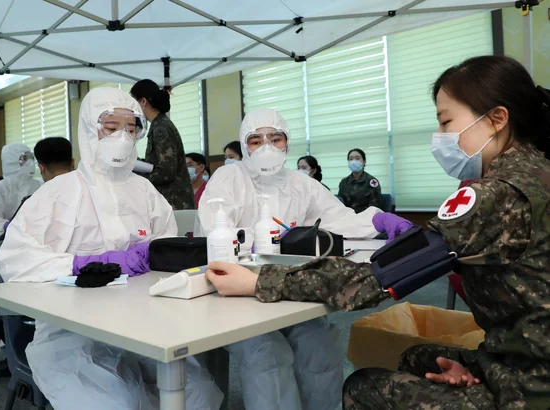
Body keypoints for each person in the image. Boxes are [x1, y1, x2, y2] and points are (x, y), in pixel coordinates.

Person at [204, 55, 550, 410]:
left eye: (446, 122)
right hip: (521, 351)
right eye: (256, 140)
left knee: (359, 383)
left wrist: (260, 282)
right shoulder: (538, 172)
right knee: (416, 357)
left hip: (530, 380)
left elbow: (377, 278)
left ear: (497, 119)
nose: (440, 137)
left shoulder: (493, 194)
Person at [0, 87, 223, 410]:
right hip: (71, 337)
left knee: (196, 391)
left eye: (131, 128)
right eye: (112, 127)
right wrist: (78, 265)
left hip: (144, 326)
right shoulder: (60, 192)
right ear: (90, 129)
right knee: (119, 403)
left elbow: (165, 250)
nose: (123, 137)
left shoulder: (145, 192)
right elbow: (14, 259)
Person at [196, 108, 382, 410]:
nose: (267, 147)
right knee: (268, 355)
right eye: (256, 141)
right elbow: (214, 229)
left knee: (318, 348)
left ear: (288, 143)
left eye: (276, 138)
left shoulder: (301, 183)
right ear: (244, 146)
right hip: (236, 293)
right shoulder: (228, 177)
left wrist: (377, 221)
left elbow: (338, 219)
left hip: (289, 288)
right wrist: (257, 242)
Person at [0, 143, 41, 282]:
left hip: (27, 244)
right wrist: (8, 225)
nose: (30, 163)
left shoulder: (38, 185)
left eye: (31, 158)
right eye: (24, 158)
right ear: (11, 161)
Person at [130, 79, 194, 210]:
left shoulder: (161, 128)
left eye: (132, 102)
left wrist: (139, 180)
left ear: (143, 102)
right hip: (171, 200)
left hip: (174, 202)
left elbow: (166, 171)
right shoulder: (159, 124)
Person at [337, 148, 381, 213]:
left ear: (364, 162)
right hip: (347, 217)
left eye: (357, 158)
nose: (353, 161)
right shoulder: (344, 182)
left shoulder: (371, 181)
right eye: (351, 159)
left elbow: (374, 206)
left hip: (366, 218)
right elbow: (340, 203)